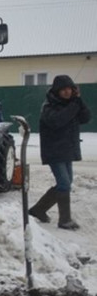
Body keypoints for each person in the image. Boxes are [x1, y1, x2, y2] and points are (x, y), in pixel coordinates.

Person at [28, 75, 91, 230]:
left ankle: (38, 209)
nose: (67, 92)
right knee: (64, 183)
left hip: (67, 150)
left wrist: (79, 101)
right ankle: (64, 220)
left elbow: (86, 117)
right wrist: (75, 104)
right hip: (54, 151)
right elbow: (58, 121)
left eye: (69, 89)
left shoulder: (71, 103)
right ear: (57, 91)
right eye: (63, 89)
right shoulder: (49, 106)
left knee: (66, 183)